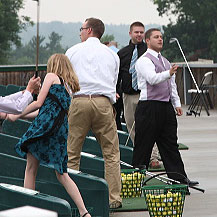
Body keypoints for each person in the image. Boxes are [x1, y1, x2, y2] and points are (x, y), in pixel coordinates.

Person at [7, 54, 91, 217]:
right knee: (62, 173)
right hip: (59, 129)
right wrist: (21, 115)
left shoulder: (52, 76)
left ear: (54, 65)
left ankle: (28, 209)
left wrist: (16, 113)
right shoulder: (68, 87)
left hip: (44, 127)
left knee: (31, 168)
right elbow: (42, 110)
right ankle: (84, 212)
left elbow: (38, 103)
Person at [65, 18, 122, 209]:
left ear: (89, 30)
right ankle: (114, 199)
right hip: (102, 101)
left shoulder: (72, 51)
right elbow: (113, 81)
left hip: (79, 101)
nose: (80, 32)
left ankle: (72, 199)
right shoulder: (112, 54)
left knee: (72, 153)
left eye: (81, 29)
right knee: (111, 153)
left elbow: (66, 81)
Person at [132, 28, 199, 190]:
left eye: (161, 37)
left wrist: (176, 103)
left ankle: (179, 180)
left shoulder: (167, 61)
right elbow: (153, 79)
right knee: (143, 146)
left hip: (165, 107)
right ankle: (134, 183)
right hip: (149, 107)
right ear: (148, 41)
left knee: (170, 145)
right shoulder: (143, 61)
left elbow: (172, 85)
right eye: (156, 37)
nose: (160, 39)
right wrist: (168, 73)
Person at [117, 21, 161, 168]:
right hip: (128, 96)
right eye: (136, 32)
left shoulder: (150, 54)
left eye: (142, 32)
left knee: (149, 126)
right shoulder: (122, 54)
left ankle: (153, 158)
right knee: (131, 126)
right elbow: (117, 76)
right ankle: (142, 155)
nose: (139, 35)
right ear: (130, 33)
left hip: (146, 95)